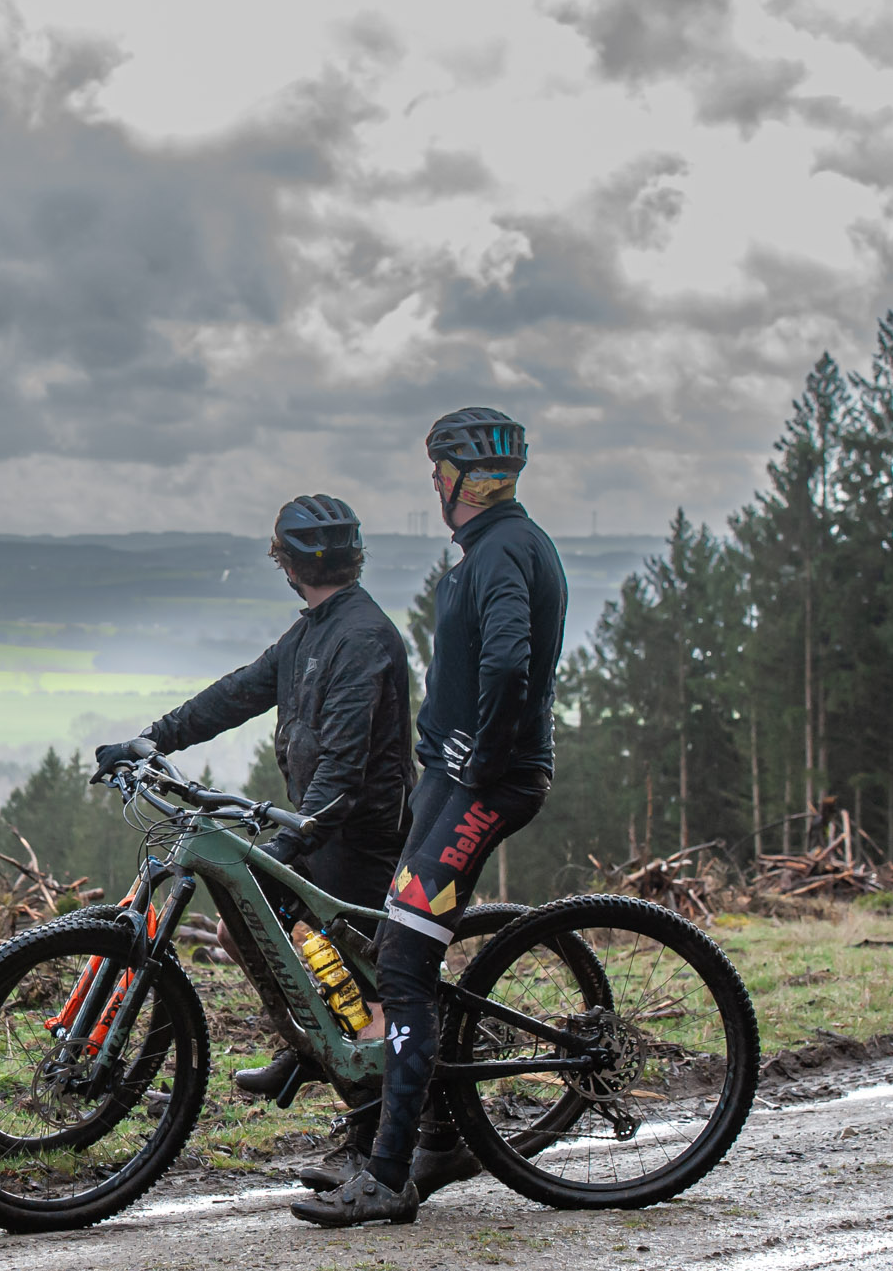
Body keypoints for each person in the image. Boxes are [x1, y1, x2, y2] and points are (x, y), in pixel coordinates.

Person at [292, 407, 568, 1229]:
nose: (434, 485)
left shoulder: (505, 551)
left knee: (407, 969)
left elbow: (510, 660)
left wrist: (480, 759)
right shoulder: (498, 547)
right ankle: (438, 1137)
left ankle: (388, 1175)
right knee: (391, 944)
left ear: (455, 477)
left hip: (482, 784)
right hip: (454, 782)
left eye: (436, 472)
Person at [95, 494, 413, 1190]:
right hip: (320, 824)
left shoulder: (361, 636)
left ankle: (370, 1143)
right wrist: (157, 735)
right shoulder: (313, 633)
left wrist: (303, 831)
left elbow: (346, 759)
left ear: (288, 562)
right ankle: (307, 1046)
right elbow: (239, 692)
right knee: (246, 932)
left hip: (359, 838)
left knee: (358, 984)